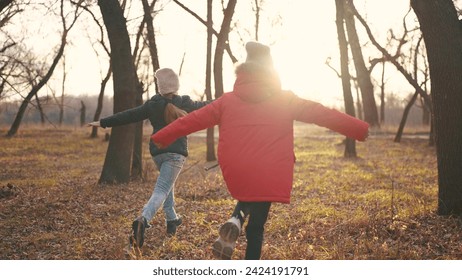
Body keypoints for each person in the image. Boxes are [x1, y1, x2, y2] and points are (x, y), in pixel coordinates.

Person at [151, 42, 369, 260]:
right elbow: (322, 114)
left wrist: (161, 137)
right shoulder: (286, 99)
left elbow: (192, 121)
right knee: (257, 226)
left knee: (249, 189)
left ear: (244, 71)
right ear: (271, 70)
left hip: (237, 166)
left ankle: (236, 217)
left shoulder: (226, 101)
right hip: (270, 166)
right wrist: (358, 129)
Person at [88, 68, 211, 249]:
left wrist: (104, 122)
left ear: (160, 87)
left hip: (158, 153)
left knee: (167, 186)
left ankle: (172, 220)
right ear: (176, 85)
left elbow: (129, 115)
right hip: (175, 154)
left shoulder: (152, 105)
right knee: (162, 188)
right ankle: (142, 220)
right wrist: (230, 100)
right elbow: (207, 106)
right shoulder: (184, 102)